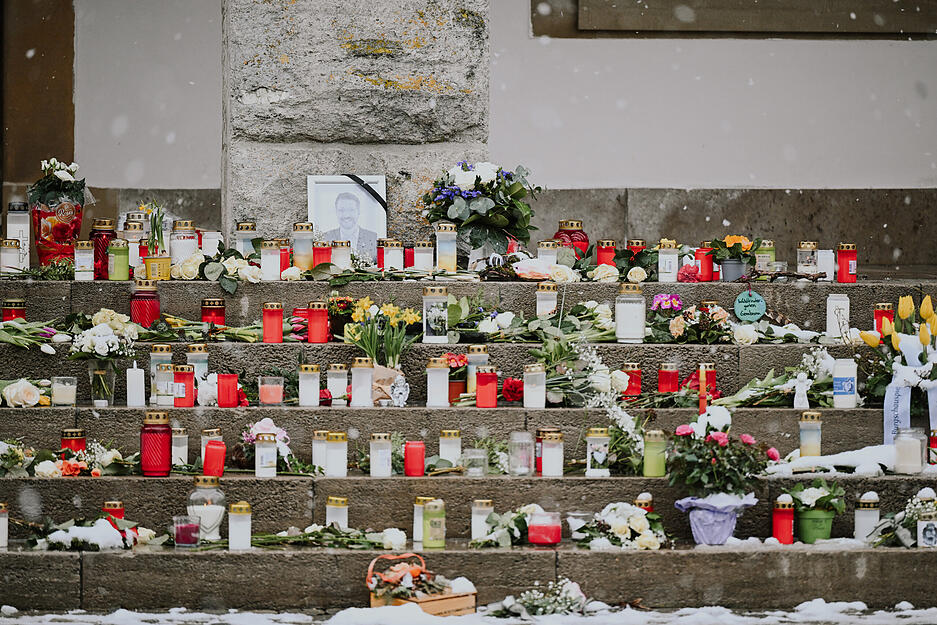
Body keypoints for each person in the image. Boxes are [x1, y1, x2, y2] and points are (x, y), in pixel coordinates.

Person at [323, 191, 378, 260]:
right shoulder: (325, 238)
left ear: (358, 211)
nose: (346, 215)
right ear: (336, 212)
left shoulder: (373, 238)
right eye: (341, 210)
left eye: (351, 210)